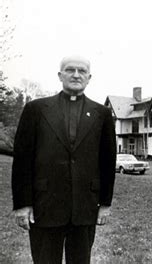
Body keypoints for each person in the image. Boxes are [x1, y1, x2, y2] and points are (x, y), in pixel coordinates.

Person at [11, 55, 116, 264]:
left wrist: (105, 203)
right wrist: (22, 204)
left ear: (89, 77)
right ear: (60, 75)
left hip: (85, 207)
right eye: (70, 70)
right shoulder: (36, 110)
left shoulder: (102, 113)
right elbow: (22, 160)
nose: (76, 75)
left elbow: (107, 162)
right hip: (45, 205)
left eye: (82, 71)